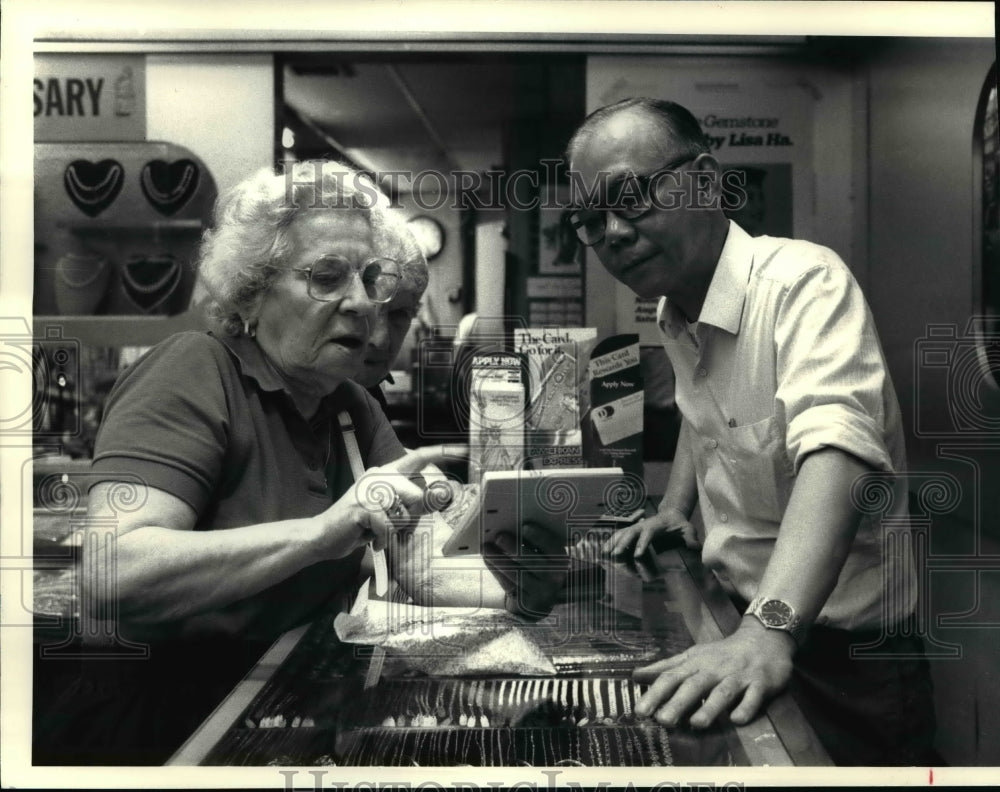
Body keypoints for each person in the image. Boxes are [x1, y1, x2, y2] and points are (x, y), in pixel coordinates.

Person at [34, 162, 566, 765]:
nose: (363, 304)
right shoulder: (194, 370)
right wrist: (321, 533)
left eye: (370, 279)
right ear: (252, 292)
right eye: (327, 277)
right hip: (159, 725)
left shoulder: (348, 404)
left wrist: (514, 589)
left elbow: (417, 559)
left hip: (273, 699)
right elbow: (111, 576)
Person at [566, 97, 936, 766]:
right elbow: (704, 409)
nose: (613, 232)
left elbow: (839, 451)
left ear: (706, 181)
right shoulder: (675, 310)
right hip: (743, 627)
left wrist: (768, 627)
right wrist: (675, 508)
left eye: (630, 198)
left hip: (845, 656)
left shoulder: (804, 283)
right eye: (591, 220)